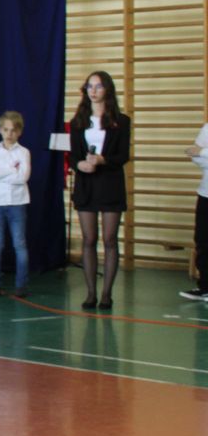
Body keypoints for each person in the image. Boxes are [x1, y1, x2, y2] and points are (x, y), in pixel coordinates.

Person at [70, 71, 130, 310]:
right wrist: (79, 165)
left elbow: (123, 155)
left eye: (98, 86)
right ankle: (91, 293)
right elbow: (74, 155)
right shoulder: (78, 121)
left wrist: (103, 160)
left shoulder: (121, 121)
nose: (93, 91)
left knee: (109, 239)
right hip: (86, 184)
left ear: (107, 90)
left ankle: (106, 294)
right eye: (90, 86)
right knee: (89, 239)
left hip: (110, 183)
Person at [0, 111, 31, 298]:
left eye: (13, 130)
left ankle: (21, 285)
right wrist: (11, 169)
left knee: (19, 244)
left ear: (19, 132)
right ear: (0, 130)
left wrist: (0, 173)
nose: (9, 134)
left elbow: (22, 178)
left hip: (18, 203)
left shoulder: (24, 152)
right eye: (5, 129)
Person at [183, 115, 208, 301]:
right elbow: (194, 155)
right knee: (203, 240)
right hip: (206, 193)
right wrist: (200, 153)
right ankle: (205, 287)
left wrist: (203, 152)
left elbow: (199, 152)